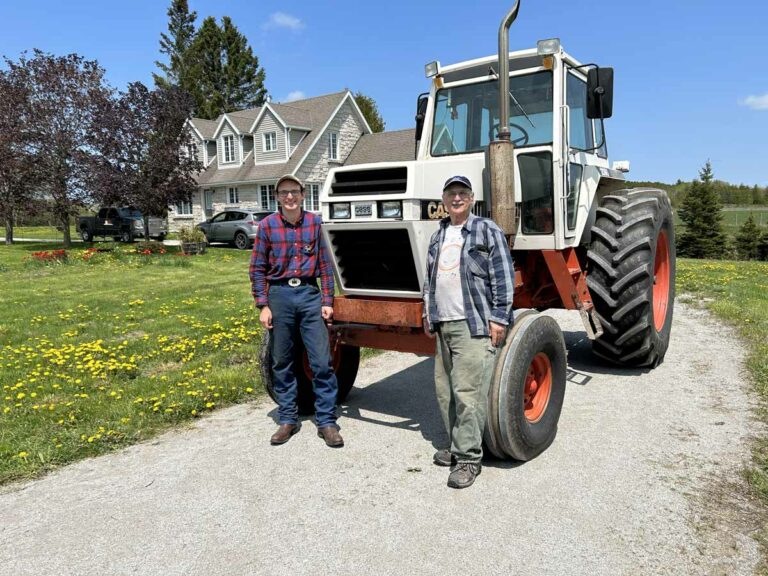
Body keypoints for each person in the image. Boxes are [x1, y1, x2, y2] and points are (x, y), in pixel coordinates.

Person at [422, 175, 515, 488]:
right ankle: (456, 446)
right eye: (451, 194)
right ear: (444, 201)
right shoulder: (439, 235)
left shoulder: (486, 230)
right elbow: (430, 279)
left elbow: (502, 275)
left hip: (472, 323)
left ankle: (469, 459)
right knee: (445, 391)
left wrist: (500, 318)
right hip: (443, 323)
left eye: (462, 193)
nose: (457, 198)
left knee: (468, 394)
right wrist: (427, 312)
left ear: (472, 198)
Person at [249, 174, 343, 448]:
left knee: (321, 361)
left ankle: (326, 421)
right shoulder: (267, 226)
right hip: (279, 296)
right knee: (281, 361)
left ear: (303, 194)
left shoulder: (315, 223)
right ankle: (287, 419)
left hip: (309, 295)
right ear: (277, 197)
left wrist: (327, 301)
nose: (289, 197)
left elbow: (325, 266)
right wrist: (263, 304)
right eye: (284, 192)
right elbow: (257, 269)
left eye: (294, 192)